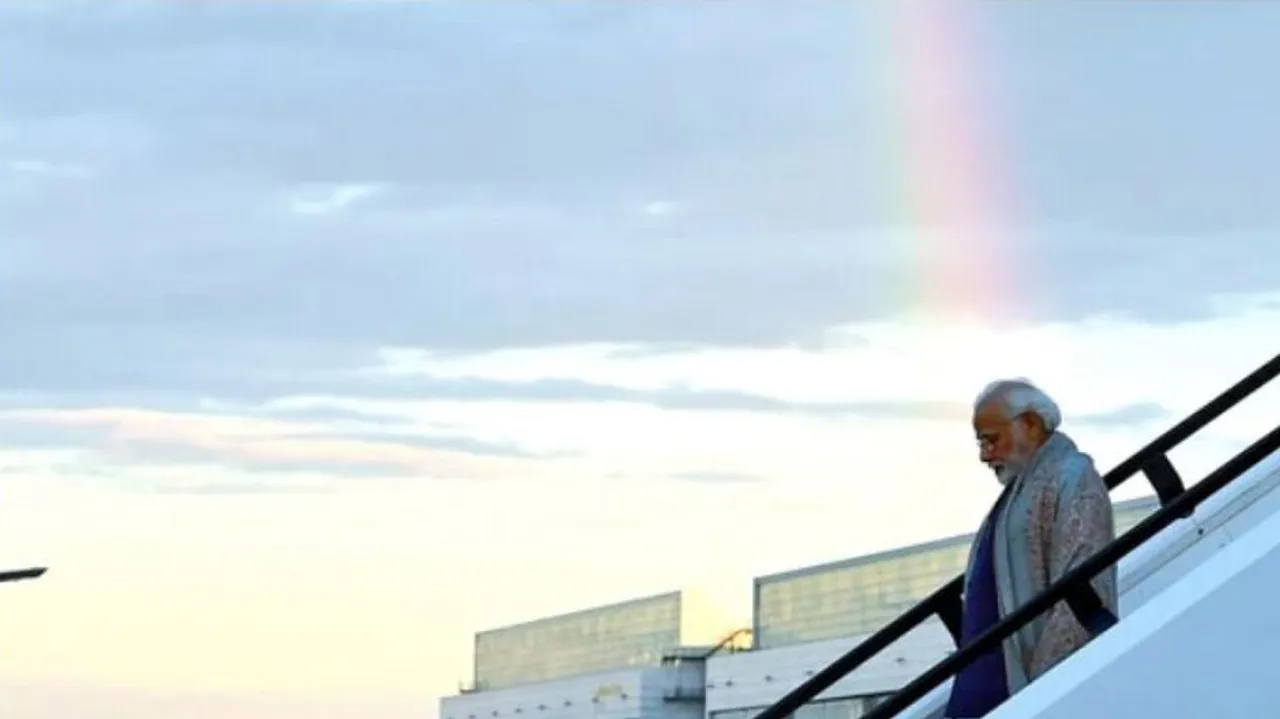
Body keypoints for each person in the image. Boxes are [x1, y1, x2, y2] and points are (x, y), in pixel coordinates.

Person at [945, 379, 1118, 718]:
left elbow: (1082, 594)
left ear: (1030, 425)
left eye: (991, 440)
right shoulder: (1022, 489)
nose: (984, 455)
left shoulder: (1071, 477)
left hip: (1019, 695)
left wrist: (1041, 695)